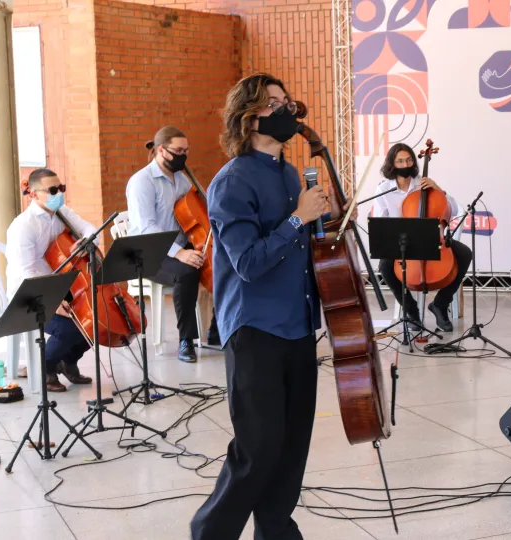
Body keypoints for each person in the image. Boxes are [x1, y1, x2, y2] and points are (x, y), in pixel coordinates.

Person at [190, 72, 344, 540]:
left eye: (286, 101)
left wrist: (325, 228)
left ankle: (277, 533)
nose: (286, 110)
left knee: (292, 447)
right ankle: (209, 534)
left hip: (298, 325)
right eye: (273, 104)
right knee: (257, 449)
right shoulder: (231, 182)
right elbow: (249, 264)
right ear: (247, 117)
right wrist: (299, 216)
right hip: (255, 329)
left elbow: (303, 246)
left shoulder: (291, 173)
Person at [126, 126, 219, 363]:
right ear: (161, 150)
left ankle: (217, 329)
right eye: (178, 150)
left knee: (223, 261)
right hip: (148, 253)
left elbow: (196, 214)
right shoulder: (142, 182)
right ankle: (186, 340)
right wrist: (180, 254)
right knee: (187, 272)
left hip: (177, 247)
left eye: (186, 151)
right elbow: (147, 228)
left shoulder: (181, 180)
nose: (183, 156)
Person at [6, 169, 95, 392]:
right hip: (28, 294)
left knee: (95, 318)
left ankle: (68, 361)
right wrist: (53, 304)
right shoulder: (22, 226)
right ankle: (45, 368)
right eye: (53, 190)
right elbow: (26, 272)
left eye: (61, 189)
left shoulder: (61, 212)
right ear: (34, 194)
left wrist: (85, 240)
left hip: (57, 285)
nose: (59, 194)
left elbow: (90, 229)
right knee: (69, 328)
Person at [371, 142, 473, 332]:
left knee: (465, 254)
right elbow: (379, 221)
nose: (405, 164)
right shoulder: (384, 189)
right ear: (392, 164)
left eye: (409, 159)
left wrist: (438, 189)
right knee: (385, 266)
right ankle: (411, 311)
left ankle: (440, 304)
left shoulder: (424, 183)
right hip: (402, 243)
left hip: (430, 240)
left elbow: (453, 209)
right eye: (400, 161)